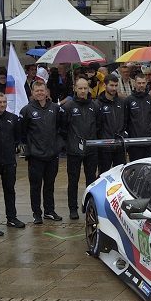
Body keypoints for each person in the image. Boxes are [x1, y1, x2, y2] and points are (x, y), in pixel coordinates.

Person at [20, 80, 63, 224]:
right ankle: (36, 213)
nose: (39, 93)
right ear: (32, 93)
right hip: (35, 156)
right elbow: (22, 131)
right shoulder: (26, 110)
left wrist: (57, 146)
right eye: (36, 91)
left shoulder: (55, 108)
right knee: (35, 186)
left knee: (50, 185)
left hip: (52, 154)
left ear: (46, 92)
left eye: (42, 90)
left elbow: (60, 128)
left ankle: (49, 211)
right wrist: (29, 148)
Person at [60, 78, 100, 220]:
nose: (83, 91)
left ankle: (90, 206)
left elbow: (98, 126)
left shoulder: (94, 106)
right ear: (75, 88)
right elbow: (63, 128)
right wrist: (69, 143)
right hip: (74, 150)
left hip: (91, 150)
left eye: (85, 88)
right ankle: (73, 209)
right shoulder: (68, 107)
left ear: (88, 88)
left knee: (91, 180)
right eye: (80, 88)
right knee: (73, 180)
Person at [0, 92, 24, 230]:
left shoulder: (13, 118)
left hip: (9, 161)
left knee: (10, 190)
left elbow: (17, 138)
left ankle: (12, 218)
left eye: (4, 102)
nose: (2, 104)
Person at [96, 75, 127, 173]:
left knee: (121, 174)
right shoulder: (97, 104)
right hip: (105, 147)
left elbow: (126, 121)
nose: (114, 88)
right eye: (111, 85)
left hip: (120, 146)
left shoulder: (122, 102)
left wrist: (124, 135)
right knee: (103, 174)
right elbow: (97, 125)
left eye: (116, 85)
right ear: (105, 85)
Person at [124, 74, 151, 160]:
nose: (141, 85)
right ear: (135, 83)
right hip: (135, 143)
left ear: (146, 83)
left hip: (150, 142)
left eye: (143, 83)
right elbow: (126, 120)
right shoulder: (128, 100)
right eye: (139, 83)